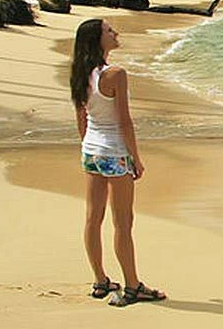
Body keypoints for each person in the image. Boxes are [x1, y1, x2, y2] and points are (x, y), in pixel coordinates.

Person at [70, 18, 166, 307]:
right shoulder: (115, 74)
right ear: (97, 39)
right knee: (123, 222)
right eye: (109, 31)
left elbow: (81, 117)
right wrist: (135, 158)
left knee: (92, 218)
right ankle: (133, 286)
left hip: (92, 151)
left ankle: (100, 281)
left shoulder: (79, 72)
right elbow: (125, 121)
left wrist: (89, 143)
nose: (116, 33)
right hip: (114, 152)